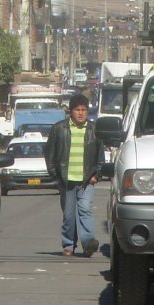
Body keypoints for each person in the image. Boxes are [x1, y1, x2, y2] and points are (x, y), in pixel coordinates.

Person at [45, 92, 104, 257]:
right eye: (77, 110)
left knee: (85, 210)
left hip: (87, 181)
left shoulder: (94, 130)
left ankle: (88, 243)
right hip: (66, 181)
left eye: (84, 110)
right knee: (69, 215)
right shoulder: (59, 129)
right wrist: (55, 174)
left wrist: (96, 176)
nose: (80, 113)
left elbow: (101, 158)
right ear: (71, 111)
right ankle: (69, 244)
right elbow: (49, 153)